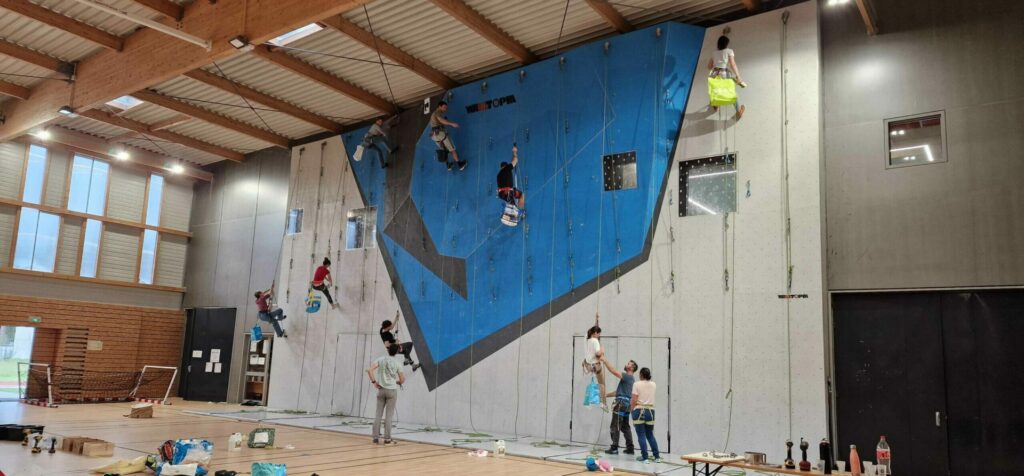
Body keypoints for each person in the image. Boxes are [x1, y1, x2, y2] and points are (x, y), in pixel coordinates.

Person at [366, 343, 405, 445]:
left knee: (378, 414)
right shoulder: (397, 363)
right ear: (397, 352)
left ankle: (375, 438)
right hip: (391, 391)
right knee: (389, 416)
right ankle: (387, 439)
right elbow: (402, 380)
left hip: (381, 390)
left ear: (388, 350)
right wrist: (397, 382)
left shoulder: (381, 359)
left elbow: (370, 370)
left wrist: (374, 382)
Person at [602, 358, 637, 455]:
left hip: (620, 404)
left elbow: (613, 370)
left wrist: (605, 360)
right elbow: (618, 392)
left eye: (628, 363)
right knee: (625, 426)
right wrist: (606, 395)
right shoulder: (631, 380)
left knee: (615, 425)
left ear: (632, 368)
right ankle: (630, 448)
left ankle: (614, 447)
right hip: (626, 405)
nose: (626, 364)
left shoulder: (627, 376)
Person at [707, 35, 747, 120]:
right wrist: (738, 76)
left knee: (716, 91)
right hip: (724, 73)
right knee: (731, 92)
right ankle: (739, 111)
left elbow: (709, 66)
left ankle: (716, 106)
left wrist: (717, 63)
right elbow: (733, 64)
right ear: (726, 44)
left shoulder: (714, 53)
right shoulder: (729, 51)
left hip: (714, 74)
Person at [631, 367, 661, 463]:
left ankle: (645, 457)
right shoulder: (653, 384)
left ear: (641, 375)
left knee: (641, 435)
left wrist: (632, 410)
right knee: (650, 435)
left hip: (639, 410)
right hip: (651, 411)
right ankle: (657, 457)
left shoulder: (636, 384)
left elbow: (634, 400)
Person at [430, 101, 467, 171]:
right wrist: (452, 124)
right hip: (440, 134)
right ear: (439, 106)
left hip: (434, 136)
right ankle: (460, 165)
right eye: (444, 107)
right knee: (452, 148)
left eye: (446, 108)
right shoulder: (437, 113)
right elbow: (441, 120)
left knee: (444, 150)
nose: (445, 109)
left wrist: (444, 121)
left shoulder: (433, 115)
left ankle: (448, 165)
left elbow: (437, 124)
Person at [582, 324, 608, 411]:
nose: (599, 336)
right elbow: (598, 354)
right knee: (602, 384)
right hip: (595, 366)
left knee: (592, 383)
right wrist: (602, 350)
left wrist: (596, 319)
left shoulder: (586, 337)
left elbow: (592, 329)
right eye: (599, 334)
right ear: (595, 333)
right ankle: (603, 403)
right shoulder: (595, 341)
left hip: (588, 365)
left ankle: (588, 402)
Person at [496, 144, 525, 209]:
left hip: (503, 193)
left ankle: (516, 211)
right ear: (506, 166)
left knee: (518, 197)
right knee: (521, 196)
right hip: (507, 191)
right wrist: (514, 152)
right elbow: (515, 161)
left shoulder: (499, 175)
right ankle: (515, 211)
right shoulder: (506, 169)